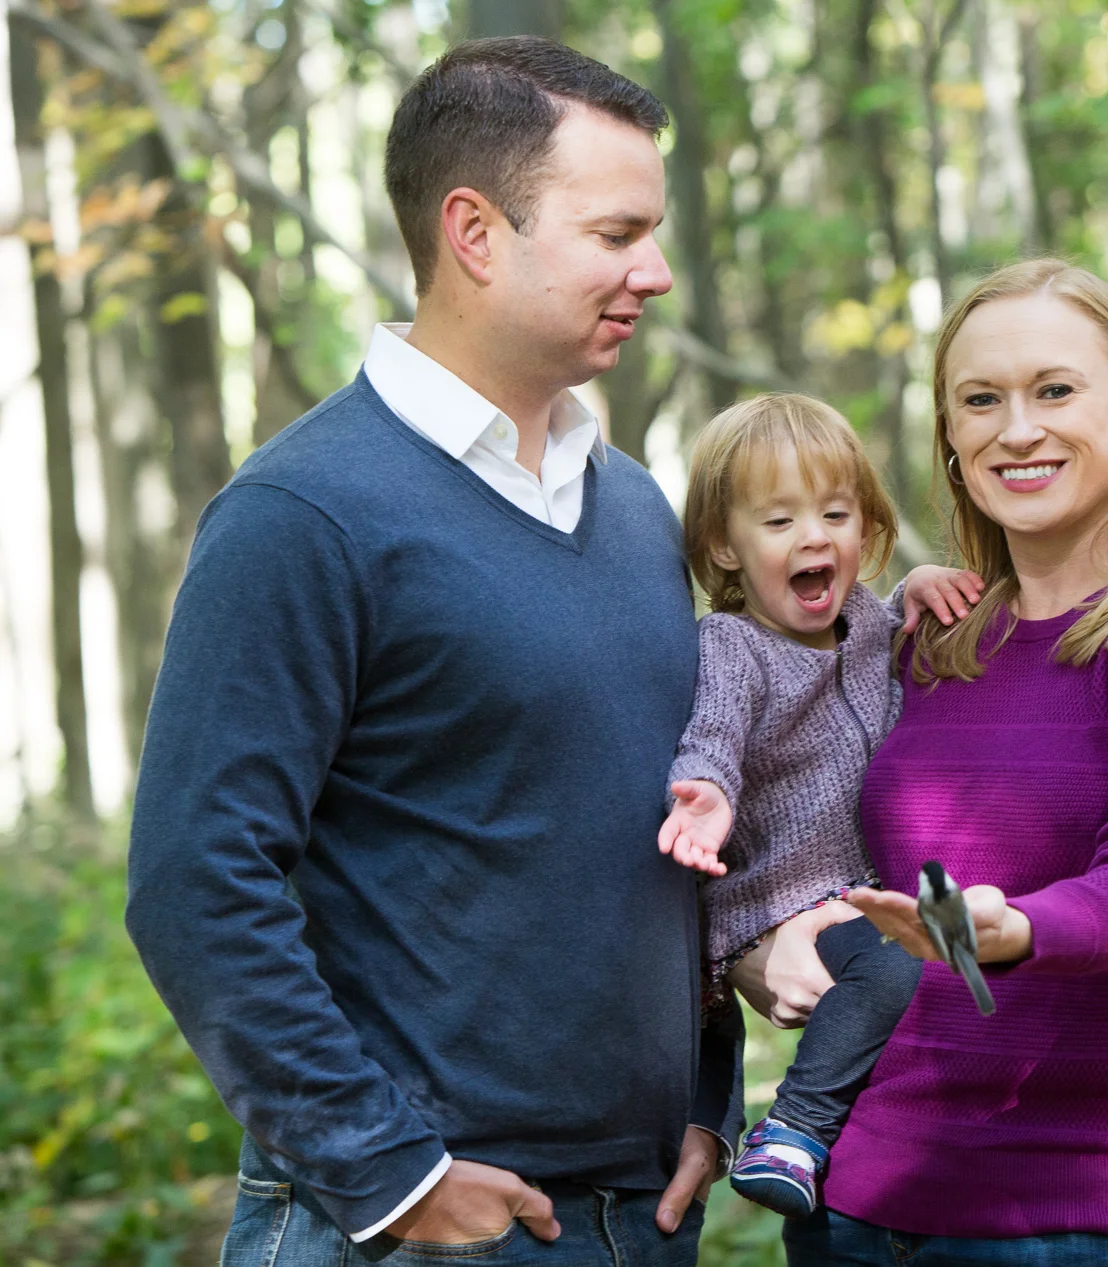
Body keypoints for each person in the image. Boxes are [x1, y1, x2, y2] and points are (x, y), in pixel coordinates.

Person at [127, 37, 737, 1266]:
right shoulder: (302, 514)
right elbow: (196, 882)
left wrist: (706, 1097)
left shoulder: (635, 509)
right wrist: (388, 1173)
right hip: (417, 1226)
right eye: (616, 234)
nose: (655, 272)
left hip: (639, 1217)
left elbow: (674, 822)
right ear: (474, 232)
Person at [776, 259, 1108, 1265]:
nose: (1016, 429)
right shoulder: (934, 638)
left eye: (1055, 390)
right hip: (852, 1208)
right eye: (981, 400)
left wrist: (1011, 927)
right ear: (949, 431)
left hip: (1070, 1214)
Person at [656, 394, 982, 1219]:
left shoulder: (865, 619)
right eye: (779, 521)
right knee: (899, 959)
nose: (814, 536)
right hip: (780, 899)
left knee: (957, 937)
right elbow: (713, 732)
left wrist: (919, 584)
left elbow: (888, 621)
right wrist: (707, 794)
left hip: (861, 889)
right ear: (724, 545)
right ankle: (795, 1126)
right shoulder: (734, 644)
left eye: (836, 514)